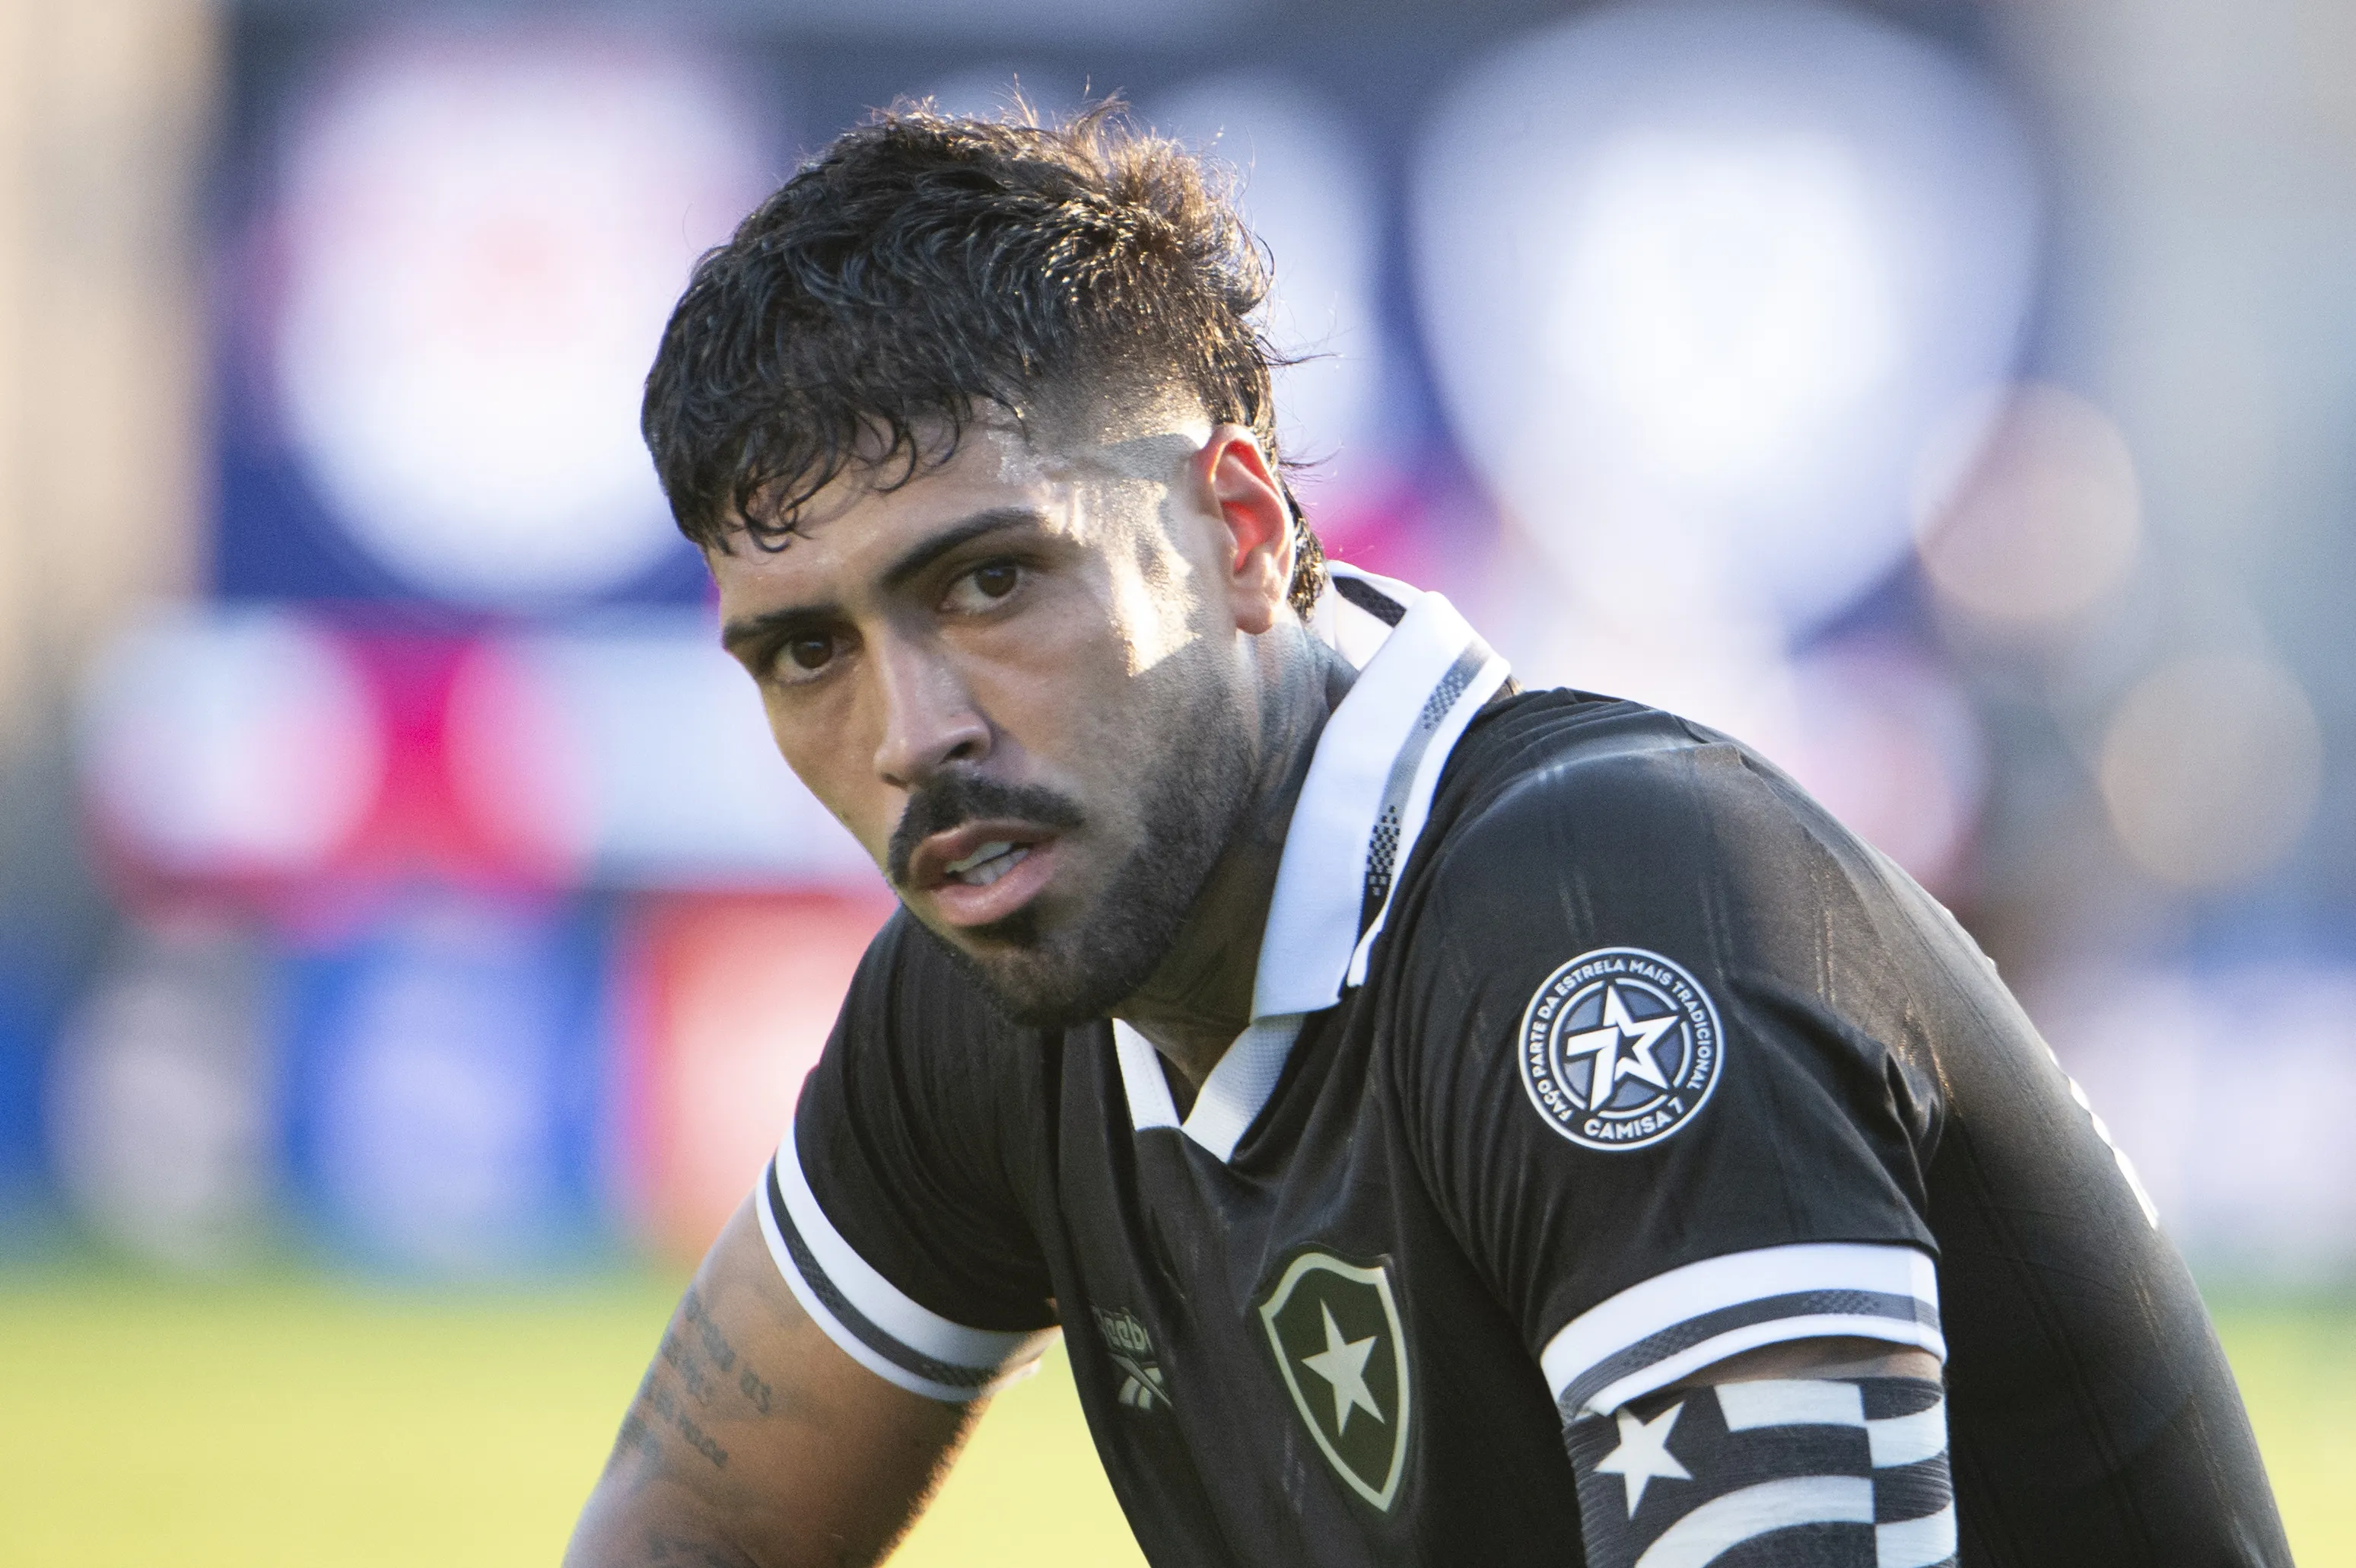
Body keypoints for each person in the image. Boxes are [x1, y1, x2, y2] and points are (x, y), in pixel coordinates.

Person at [566, 104, 2289, 1568]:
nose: (910, 732)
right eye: (809, 652)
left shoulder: (1609, 933)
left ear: (1240, 530)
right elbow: (691, 1519)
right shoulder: (1005, 967)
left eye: (994, 578)